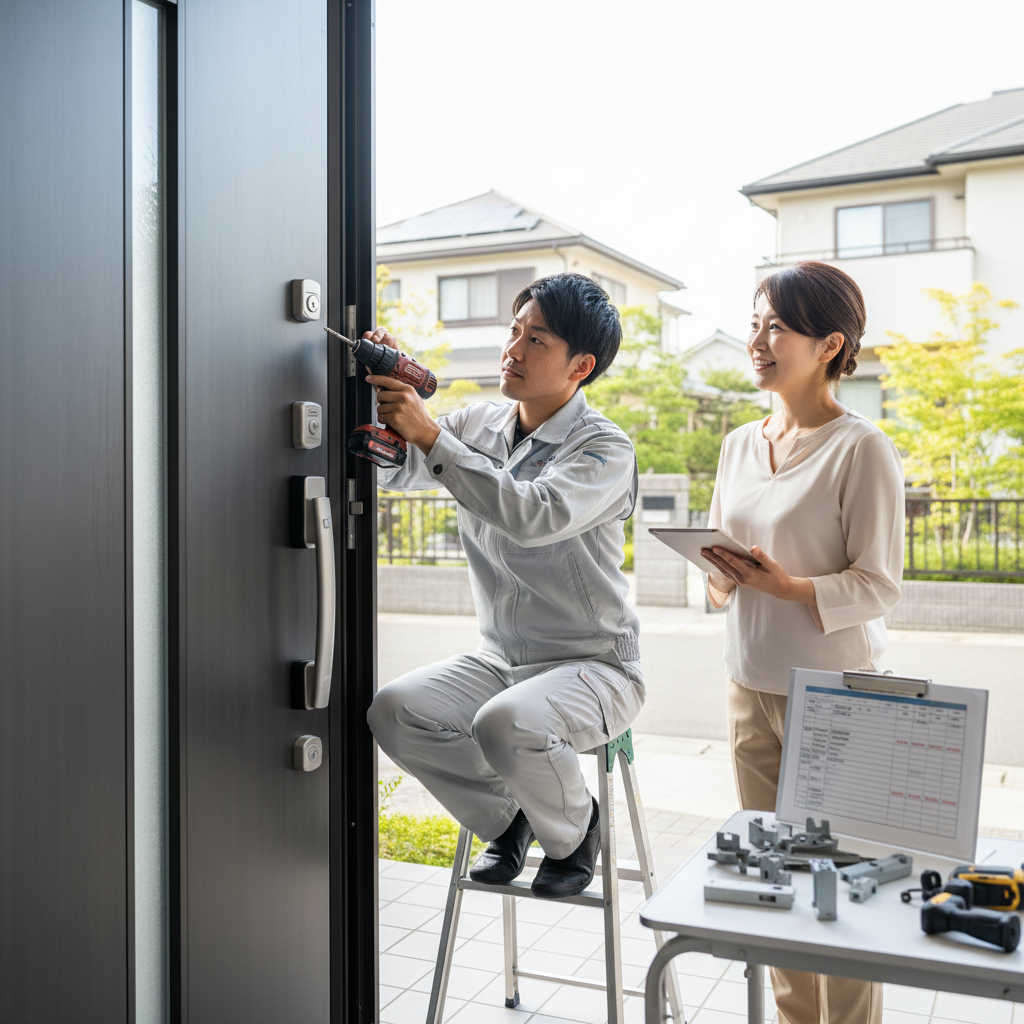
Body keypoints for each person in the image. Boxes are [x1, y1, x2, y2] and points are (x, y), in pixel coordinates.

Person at [366, 273, 643, 899]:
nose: (513, 350)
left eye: (536, 339)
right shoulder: (480, 423)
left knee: (505, 722)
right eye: (514, 331)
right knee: (395, 710)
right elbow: (397, 469)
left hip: (596, 667)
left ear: (581, 366)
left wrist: (431, 434)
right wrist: (382, 391)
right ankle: (508, 817)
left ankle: (575, 832)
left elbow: (535, 515)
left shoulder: (604, 448)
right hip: (502, 660)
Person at [701, 262, 904, 1024]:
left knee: (843, 888)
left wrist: (790, 588)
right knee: (777, 882)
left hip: (837, 698)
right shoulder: (737, 445)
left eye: (778, 326)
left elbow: (880, 585)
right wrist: (720, 578)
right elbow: (719, 575)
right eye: (755, 323)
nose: (758, 340)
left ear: (830, 346)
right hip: (748, 687)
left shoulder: (862, 448)